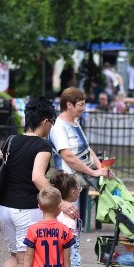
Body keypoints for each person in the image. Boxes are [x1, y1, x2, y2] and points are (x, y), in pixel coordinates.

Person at [0, 96, 73, 267]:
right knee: (23, 261)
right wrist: (59, 201)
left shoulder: (10, 140)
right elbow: (37, 176)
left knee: (14, 255)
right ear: (46, 122)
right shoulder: (42, 146)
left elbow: (0, 166)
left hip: (4, 207)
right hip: (26, 209)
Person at [50, 87, 112, 219]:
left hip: (81, 181)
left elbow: (88, 149)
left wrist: (101, 168)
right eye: (81, 104)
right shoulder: (58, 127)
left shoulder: (75, 123)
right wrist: (93, 172)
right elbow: (68, 156)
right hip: (67, 182)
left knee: (77, 223)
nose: (84, 108)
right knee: (69, 222)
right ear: (69, 105)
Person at [49, 171, 82, 267]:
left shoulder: (56, 211)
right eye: (79, 188)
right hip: (69, 252)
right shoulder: (68, 216)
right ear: (73, 192)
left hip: (56, 253)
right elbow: (66, 239)